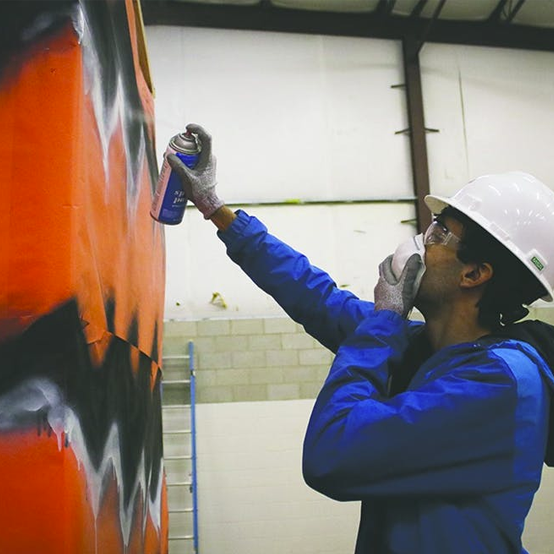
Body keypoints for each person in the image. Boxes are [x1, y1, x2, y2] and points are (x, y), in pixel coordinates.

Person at [168, 124, 554, 553]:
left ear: (475, 273)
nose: (420, 242)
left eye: (440, 234)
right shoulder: (428, 348)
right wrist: (214, 206)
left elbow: (333, 453)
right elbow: (317, 297)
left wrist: (386, 318)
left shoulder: (501, 382)